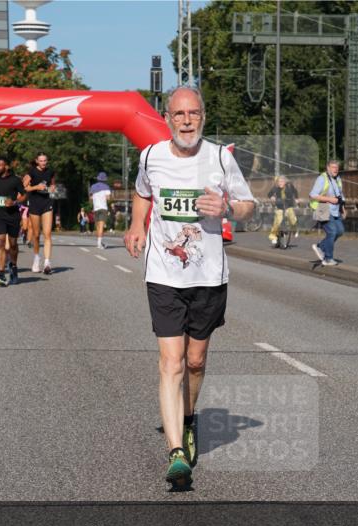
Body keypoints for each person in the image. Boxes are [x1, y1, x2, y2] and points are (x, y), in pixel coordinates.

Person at [123, 86, 255, 488]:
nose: (186, 121)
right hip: (164, 274)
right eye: (179, 114)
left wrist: (229, 208)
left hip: (208, 276)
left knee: (195, 362)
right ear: (167, 117)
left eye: (193, 114)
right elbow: (143, 193)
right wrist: (135, 225)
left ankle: (187, 417)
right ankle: (176, 452)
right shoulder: (151, 156)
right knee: (172, 362)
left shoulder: (219, 157)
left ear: (203, 116)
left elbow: (249, 205)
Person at [0, 157, 26, 287]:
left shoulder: (15, 180)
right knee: (1, 242)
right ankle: (1, 274)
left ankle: (13, 267)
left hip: (13, 215)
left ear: (6, 167)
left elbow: (25, 194)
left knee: (13, 244)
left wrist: (14, 202)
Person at [22, 152, 55, 274]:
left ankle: (47, 262)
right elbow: (23, 187)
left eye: (45, 161)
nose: (43, 163)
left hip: (47, 203)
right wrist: (36, 187)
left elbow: (53, 185)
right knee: (36, 235)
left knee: (47, 234)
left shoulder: (50, 171)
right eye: (41, 161)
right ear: (37, 161)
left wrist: (52, 188)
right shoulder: (31, 172)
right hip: (35, 203)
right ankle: (36, 258)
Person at [309, 159, 344, 267]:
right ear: (328, 168)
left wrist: (343, 208)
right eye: (333, 167)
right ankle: (328, 258)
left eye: (337, 168)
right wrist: (328, 199)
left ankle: (320, 246)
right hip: (322, 208)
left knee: (340, 231)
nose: (336, 169)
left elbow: (340, 195)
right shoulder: (322, 178)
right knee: (332, 232)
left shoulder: (338, 179)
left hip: (334, 210)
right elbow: (313, 195)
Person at [267, 175, 299, 248]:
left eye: (282, 181)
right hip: (280, 206)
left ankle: (295, 230)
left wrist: (296, 199)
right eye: (279, 182)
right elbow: (269, 194)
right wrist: (272, 197)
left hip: (288, 205)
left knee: (292, 219)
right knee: (277, 221)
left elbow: (295, 192)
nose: (280, 183)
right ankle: (273, 236)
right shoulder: (275, 188)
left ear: (285, 182)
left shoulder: (289, 186)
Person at [90, 171, 112, 250]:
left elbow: (91, 198)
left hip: (96, 208)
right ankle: (99, 244)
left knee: (98, 227)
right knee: (101, 226)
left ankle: (100, 242)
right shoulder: (106, 187)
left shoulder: (93, 187)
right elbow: (108, 198)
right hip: (103, 208)